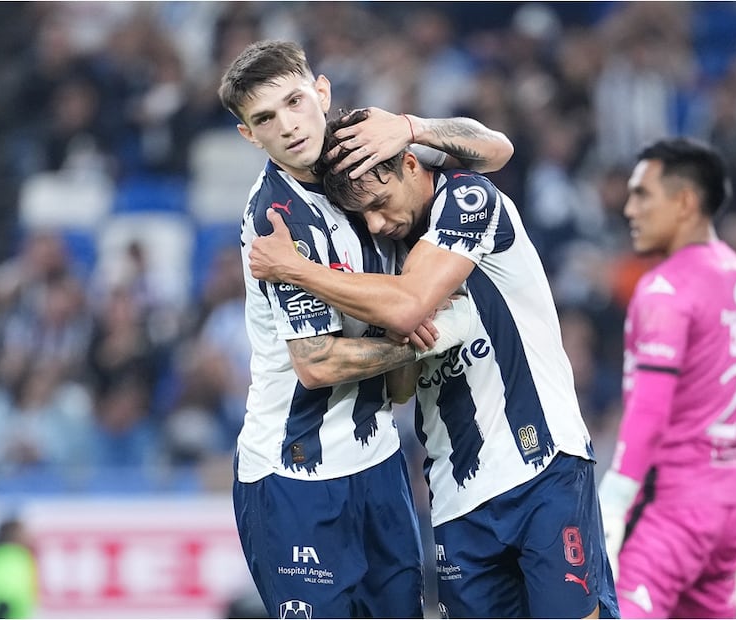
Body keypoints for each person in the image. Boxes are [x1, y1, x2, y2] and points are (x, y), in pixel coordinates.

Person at [248, 109, 619, 619]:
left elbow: (497, 148)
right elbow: (402, 388)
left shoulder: (467, 198)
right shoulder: (387, 257)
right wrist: (414, 341)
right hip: (456, 495)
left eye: (379, 204)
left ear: (409, 165)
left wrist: (297, 269)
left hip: (539, 465)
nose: (376, 223)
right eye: (363, 216)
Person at [217, 39, 514, 619]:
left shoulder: (365, 149)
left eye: (294, 102)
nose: (288, 126)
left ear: (321, 93)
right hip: (295, 474)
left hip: (377, 464)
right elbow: (317, 364)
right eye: (265, 119)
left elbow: (495, 150)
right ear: (250, 136)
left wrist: (414, 127)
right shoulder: (277, 218)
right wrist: (425, 336)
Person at [595, 137, 736, 618]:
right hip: (729, 505)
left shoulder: (665, 288)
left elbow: (649, 409)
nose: (629, 209)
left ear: (685, 202)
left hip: (672, 508)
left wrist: (614, 501)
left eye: (642, 194)